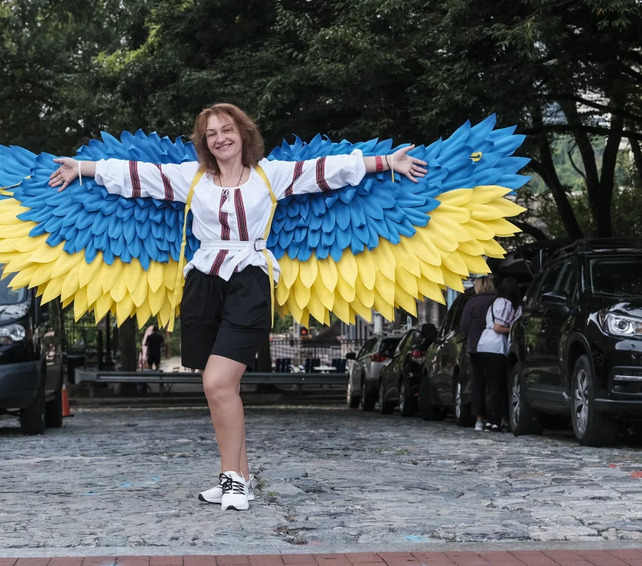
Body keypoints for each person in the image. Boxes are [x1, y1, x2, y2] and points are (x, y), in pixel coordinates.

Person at [48, 103, 427, 510]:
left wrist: (386, 161)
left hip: (249, 280)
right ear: (204, 142)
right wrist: (81, 168)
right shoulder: (191, 177)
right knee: (221, 389)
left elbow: (326, 171)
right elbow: (136, 176)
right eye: (211, 134)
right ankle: (240, 479)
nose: (220, 139)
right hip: (202, 284)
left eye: (227, 130)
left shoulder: (269, 174)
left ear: (243, 133)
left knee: (217, 383)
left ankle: (231, 478)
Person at [476, 277, 522, 433]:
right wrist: (512, 330)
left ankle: (490, 420)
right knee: (497, 385)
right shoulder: (506, 303)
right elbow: (498, 327)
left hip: (483, 344)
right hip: (496, 346)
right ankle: (495, 421)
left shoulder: (493, 303)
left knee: (490, 385)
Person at [458, 274, 497, 432]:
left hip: (475, 346)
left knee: (478, 383)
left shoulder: (472, 302)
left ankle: (479, 419)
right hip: (495, 345)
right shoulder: (496, 300)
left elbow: (464, 325)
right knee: (495, 382)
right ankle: (495, 417)